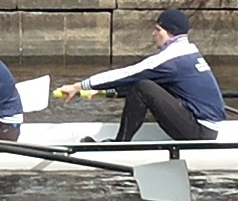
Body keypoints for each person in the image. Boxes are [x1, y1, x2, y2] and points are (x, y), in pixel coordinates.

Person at [57, 8, 225, 142]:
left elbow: (128, 74)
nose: (153, 34)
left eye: (157, 29)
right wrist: (103, 90)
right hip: (206, 128)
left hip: (200, 133)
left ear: (167, 33)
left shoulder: (171, 60)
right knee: (147, 84)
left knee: (143, 87)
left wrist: (78, 86)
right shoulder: (189, 51)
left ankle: (121, 144)